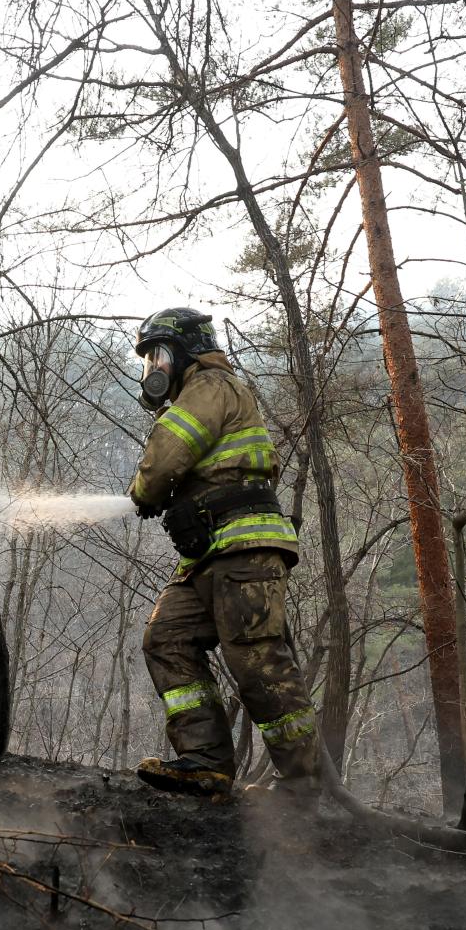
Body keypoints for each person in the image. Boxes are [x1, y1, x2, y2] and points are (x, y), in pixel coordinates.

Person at [126, 306, 320, 805]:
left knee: (256, 661)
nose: (153, 370)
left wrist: (145, 490)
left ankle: (304, 784)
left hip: (245, 548)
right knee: (166, 638)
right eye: (148, 360)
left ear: (185, 351)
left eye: (159, 355)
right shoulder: (201, 391)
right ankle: (207, 764)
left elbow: (169, 454)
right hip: (212, 553)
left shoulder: (211, 386)